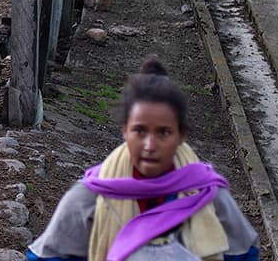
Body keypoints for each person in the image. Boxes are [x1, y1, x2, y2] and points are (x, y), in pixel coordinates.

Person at [27, 58, 260, 261]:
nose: (150, 146)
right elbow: (46, 255)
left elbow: (243, 253)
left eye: (163, 133)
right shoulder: (92, 198)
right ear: (124, 131)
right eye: (140, 131)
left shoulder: (208, 195)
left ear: (181, 135)